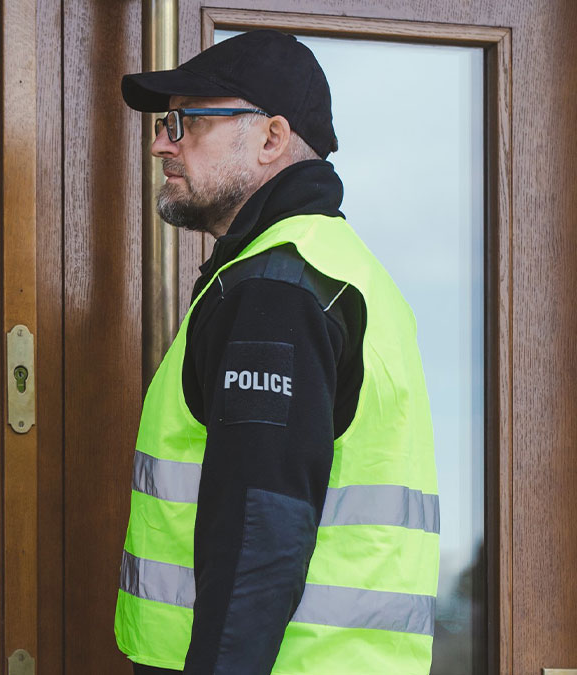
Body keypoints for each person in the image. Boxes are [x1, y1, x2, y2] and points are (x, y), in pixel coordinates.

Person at [114, 30, 439, 674]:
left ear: (270, 138)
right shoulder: (340, 270)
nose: (160, 142)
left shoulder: (277, 286)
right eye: (162, 123)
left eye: (185, 122)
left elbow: (260, 531)